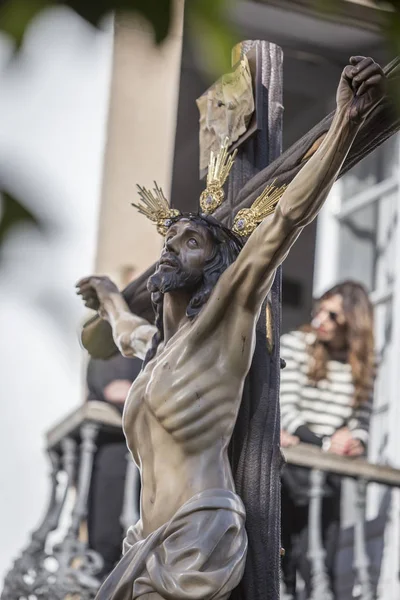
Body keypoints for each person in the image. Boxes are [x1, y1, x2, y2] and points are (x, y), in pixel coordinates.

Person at [76, 56, 384, 600]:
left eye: (189, 244)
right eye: (168, 243)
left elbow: (288, 218)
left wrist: (345, 122)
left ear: (216, 267)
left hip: (197, 538)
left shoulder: (222, 325)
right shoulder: (156, 352)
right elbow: (126, 329)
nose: (170, 251)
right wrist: (105, 294)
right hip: (144, 542)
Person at [280, 280, 376, 598]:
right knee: (284, 558)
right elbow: (286, 409)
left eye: (332, 315)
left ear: (353, 321)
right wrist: (322, 442)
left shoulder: (363, 364)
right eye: (319, 309)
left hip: (328, 472)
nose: (321, 320)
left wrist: (354, 440)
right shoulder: (295, 344)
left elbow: (360, 422)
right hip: (291, 466)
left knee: (320, 561)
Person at [86, 354, 143, 579]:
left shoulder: (149, 348)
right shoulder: (105, 353)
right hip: (113, 458)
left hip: (139, 462)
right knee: (106, 551)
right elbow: (117, 390)